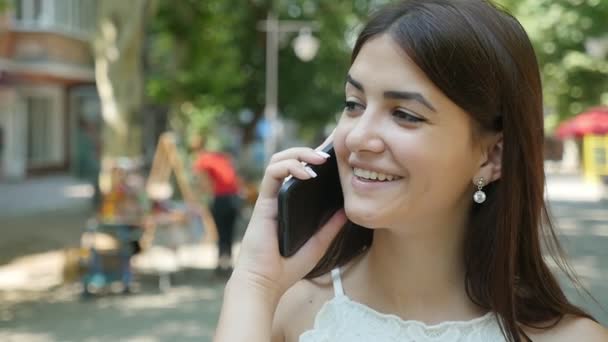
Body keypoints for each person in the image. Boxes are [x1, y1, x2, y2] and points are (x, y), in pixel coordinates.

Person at [215, 1, 608, 341]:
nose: (358, 137)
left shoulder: (571, 338)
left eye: (404, 114)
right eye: (353, 104)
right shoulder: (285, 313)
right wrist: (254, 282)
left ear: (493, 157)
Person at [191, 135, 241, 275]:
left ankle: (221, 263)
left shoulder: (203, 159)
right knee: (229, 232)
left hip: (221, 199)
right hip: (234, 198)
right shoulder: (219, 158)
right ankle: (228, 262)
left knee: (220, 232)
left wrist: (200, 197)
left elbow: (202, 181)